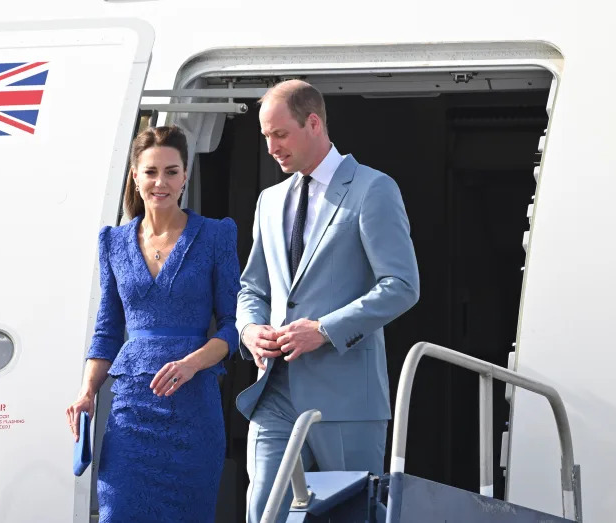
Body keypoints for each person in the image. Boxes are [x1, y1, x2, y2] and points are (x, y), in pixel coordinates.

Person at [236, 80, 420, 522]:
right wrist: (249, 328)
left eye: (280, 134)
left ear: (313, 123)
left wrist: (323, 330)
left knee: (352, 516)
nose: (272, 148)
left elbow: (402, 285)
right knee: (263, 513)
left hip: (347, 397)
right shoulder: (269, 200)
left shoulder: (373, 189)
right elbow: (253, 289)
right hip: (274, 392)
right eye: (266, 138)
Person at [66, 125, 240, 523]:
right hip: (132, 410)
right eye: (151, 172)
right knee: (120, 511)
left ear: (185, 178)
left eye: (171, 172)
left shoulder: (216, 236)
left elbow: (233, 326)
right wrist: (86, 391)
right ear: (135, 176)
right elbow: (108, 330)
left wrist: (193, 363)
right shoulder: (112, 242)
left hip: (194, 408)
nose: (161, 182)